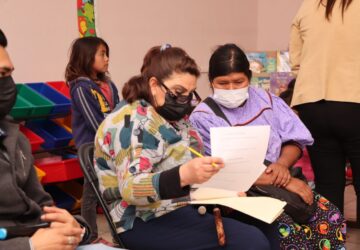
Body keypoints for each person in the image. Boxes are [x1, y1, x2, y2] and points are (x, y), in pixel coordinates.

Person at [94, 44, 273, 249]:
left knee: (268, 227)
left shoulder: (175, 119)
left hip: (182, 206)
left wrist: (223, 189)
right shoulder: (131, 121)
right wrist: (183, 175)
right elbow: (131, 188)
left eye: (190, 93)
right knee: (251, 241)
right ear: (154, 85)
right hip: (142, 220)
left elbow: (193, 165)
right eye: (178, 92)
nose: (184, 100)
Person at [189, 43, 346, 249]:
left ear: (249, 77)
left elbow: (295, 139)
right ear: (211, 82)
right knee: (288, 231)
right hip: (242, 195)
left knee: (330, 217)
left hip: (281, 179)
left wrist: (282, 164)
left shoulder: (268, 100)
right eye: (223, 83)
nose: (231, 89)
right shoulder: (202, 117)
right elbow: (223, 168)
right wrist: (286, 182)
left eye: (238, 82)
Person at [0, 28, 92, 250]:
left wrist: (76, 228)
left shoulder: (14, 138)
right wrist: (28, 246)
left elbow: (43, 207)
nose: (8, 83)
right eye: (1, 74)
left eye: (9, 74)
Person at [289, 0, 360, 214]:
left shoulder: (307, 6)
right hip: (354, 100)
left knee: (327, 186)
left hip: (313, 105)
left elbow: (296, 62)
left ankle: (331, 246)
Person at [65, 36, 120, 242]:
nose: (107, 59)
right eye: (102, 54)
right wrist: (110, 143)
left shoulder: (108, 84)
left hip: (111, 146)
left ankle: (118, 232)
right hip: (92, 148)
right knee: (91, 194)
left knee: (111, 192)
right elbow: (93, 122)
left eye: (107, 54)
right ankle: (91, 237)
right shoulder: (81, 87)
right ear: (87, 58)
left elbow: (118, 111)